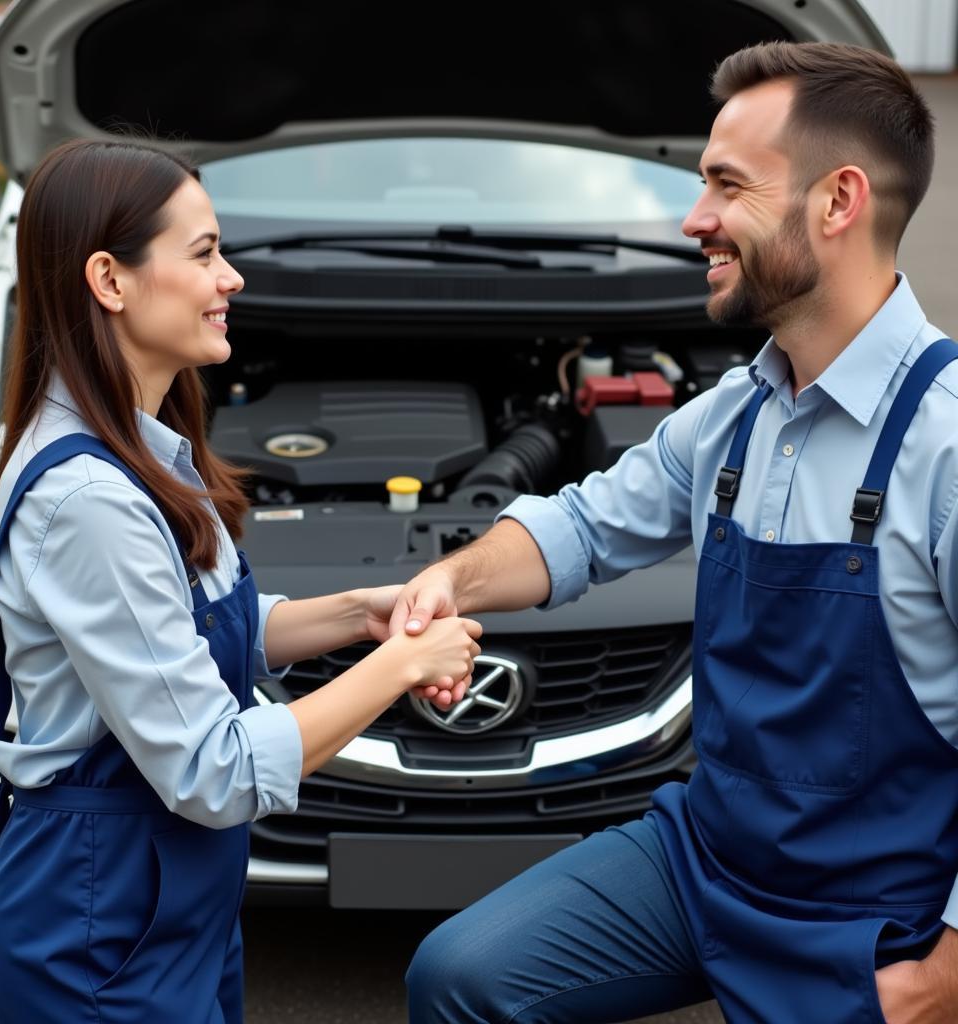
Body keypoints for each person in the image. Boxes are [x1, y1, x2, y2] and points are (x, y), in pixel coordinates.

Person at [398, 41, 958, 1024]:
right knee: (459, 980)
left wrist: (944, 976)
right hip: (704, 859)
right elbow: (579, 528)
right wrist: (451, 583)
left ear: (838, 202)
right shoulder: (732, 416)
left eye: (725, 186)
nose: (692, 219)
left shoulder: (945, 446)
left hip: (871, 921)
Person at [0, 137, 482, 1024]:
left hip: (161, 901)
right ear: (110, 280)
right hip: (97, 928)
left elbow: (199, 626)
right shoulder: (92, 497)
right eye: (205, 253)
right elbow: (213, 772)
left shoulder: (140, 447)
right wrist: (398, 669)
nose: (232, 278)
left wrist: (361, 614)